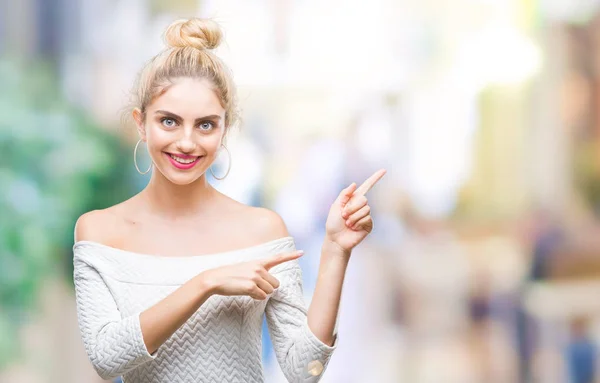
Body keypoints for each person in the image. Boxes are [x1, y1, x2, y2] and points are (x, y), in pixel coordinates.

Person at [72, 17, 386, 383]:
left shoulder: (261, 229)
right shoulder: (99, 230)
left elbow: (305, 370)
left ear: (224, 129)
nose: (187, 142)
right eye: (169, 121)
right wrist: (205, 283)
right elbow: (106, 359)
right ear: (141, 123)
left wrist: (335, 249)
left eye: (205, 124)